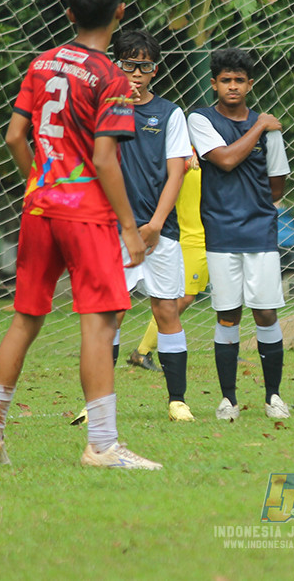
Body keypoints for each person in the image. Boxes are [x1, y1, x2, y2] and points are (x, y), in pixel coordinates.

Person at [0, 0, 162, 470]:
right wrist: (128, 227)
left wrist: (39, 182)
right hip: (87, 214)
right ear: (119, 12)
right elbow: (103, 160)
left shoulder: (41, 64)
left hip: (39, 207)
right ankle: (101, 445)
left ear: (69, 11)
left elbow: (14, 136)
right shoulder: (112, 78)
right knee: (100, 324)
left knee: (26, 319)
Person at [187, 47, 291, 421]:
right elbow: (226, 160)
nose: (233, 86)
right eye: (225, 80)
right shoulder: (199, 119)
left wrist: (263, 128)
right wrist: (259, 126)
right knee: (227, 314)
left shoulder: (270, 131)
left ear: (250, 84)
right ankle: (228, 400)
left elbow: (277, 185)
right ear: (214, 83)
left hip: (260, 230)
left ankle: (274, 397)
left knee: (265, 312)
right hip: (220, 229)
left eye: (239, 80)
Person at [110, 28, 195, 421]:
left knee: (166, 310)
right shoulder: (103, 108)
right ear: (115, 64)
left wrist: (157, 225)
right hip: (111, 232)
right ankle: (98, 404)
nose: (136, 72)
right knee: (109, 313)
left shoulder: (170, 113)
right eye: (128, 64)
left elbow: (176, 172)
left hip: (159, 232)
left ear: (154, 70)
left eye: (143, 66)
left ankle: (177, 400)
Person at [127, 146, 208, 375]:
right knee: (181, 298)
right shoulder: (181, 158)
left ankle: (232, 345)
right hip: (188, 238)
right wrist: (186, 158)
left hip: (210, 237)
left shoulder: (212, 158)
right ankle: (142, 351)